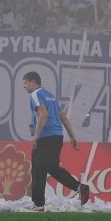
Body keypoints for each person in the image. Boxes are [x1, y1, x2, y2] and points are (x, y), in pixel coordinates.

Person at [23, 71, 90, 211]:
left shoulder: (35, 94)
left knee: (38, 170)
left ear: (33, 82)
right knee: (52, 167)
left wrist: (36, 135)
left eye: (25, 83)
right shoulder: (50, 96)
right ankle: (79, 187)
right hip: (57, 136)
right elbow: (63, 117)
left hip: (45, 137)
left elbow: (43, 114)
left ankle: (38, 204)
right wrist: (72, 137)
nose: (24, 87)